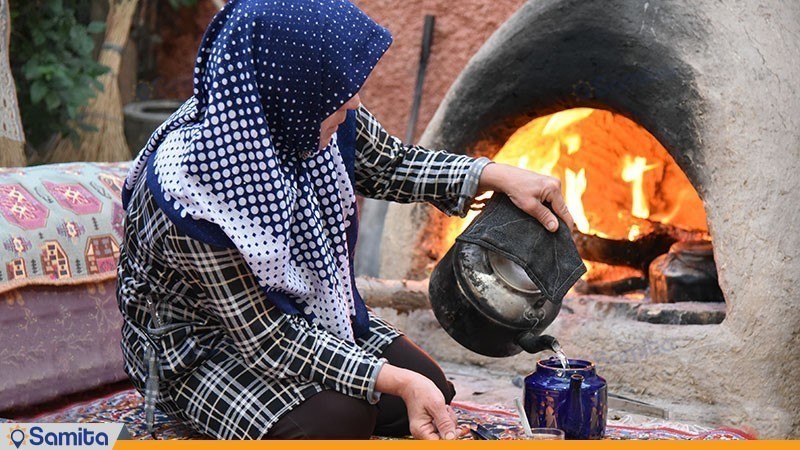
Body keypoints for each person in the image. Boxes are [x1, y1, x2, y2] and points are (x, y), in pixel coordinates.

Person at [117, 0, 574, 440]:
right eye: (341, 89)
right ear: (289, 86)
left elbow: (391, 164)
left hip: (302, 312)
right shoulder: (192, 194)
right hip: (201, 349)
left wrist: (494, 175)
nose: (354, 101)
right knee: (345, 419)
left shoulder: (303, 109)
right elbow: (270, 341)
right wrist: (391, 381)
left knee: (433, 386)